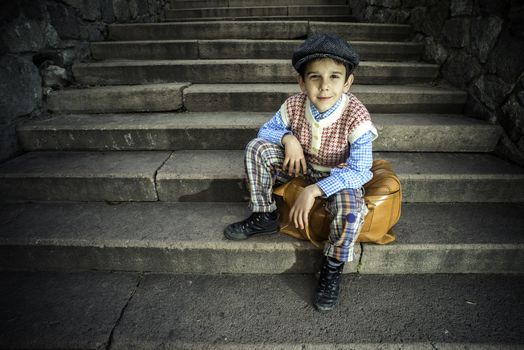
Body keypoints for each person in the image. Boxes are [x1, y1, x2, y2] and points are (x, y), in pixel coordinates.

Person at [223, 33, 378, 311]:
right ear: (302, 82)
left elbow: (361, 169)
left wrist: (316, 190)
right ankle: (264, 215)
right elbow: (266, 130)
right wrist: (288, 139)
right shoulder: (294, 105)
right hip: (301, 166)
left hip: (337, 177)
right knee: (257, 147)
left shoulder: (357, 115)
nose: (324, 86)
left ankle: (332, 266)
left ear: (348, 82)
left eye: (334, 77)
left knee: (352, 210)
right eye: (315, 77)